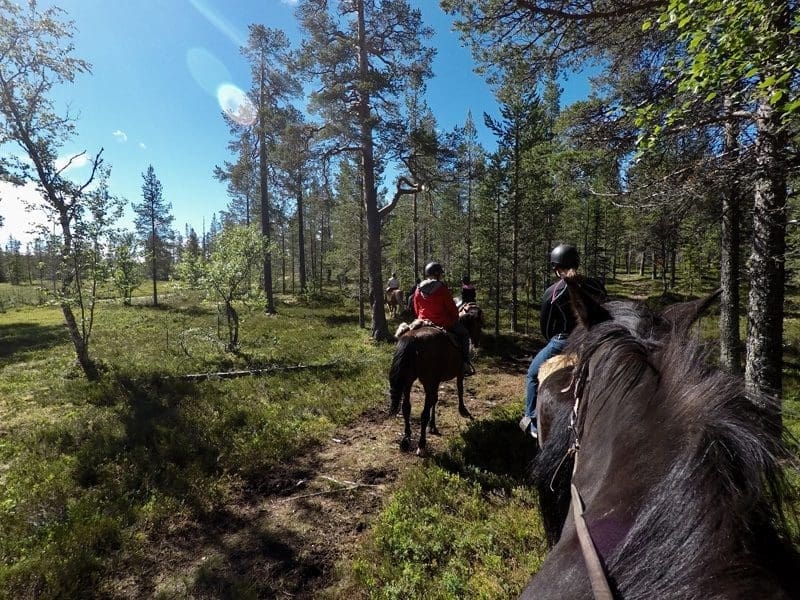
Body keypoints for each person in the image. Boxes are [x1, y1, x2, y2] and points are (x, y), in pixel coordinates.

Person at [519, 244, 606, 439]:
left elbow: (547, 327)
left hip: (563, 341)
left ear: (556, 268)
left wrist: (555, 341)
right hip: (595, 338)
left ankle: (531, 419)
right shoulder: (596, 285)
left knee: (532, 374)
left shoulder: (553, 292)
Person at [413, 262, 475, 376]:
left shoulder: (418, 289)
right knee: (465, 334)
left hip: (423, 321)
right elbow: (451, 307)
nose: (441, 276)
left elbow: (416, 308)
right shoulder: (441, 288)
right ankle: (466, 363)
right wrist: (455, 318)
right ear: (437, 275)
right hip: (442, 322)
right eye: (440, 274)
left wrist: (422, 317)